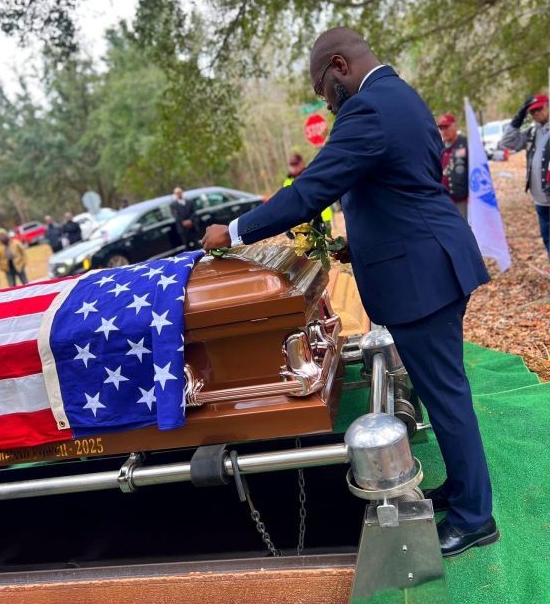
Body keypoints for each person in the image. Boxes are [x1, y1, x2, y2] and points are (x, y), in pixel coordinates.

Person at [203, 27, 498, 558]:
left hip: (423, 275)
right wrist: (357, 248)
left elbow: (314, 189)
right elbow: (402, 190)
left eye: (323, 88)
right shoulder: (401, 96)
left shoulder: (367, 109)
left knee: (447, 394)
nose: (327, 101)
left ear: (339, 66)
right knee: (440, 391)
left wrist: (237, 230)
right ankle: (462, 490)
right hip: (430, 259)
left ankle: (477, 518)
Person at [499, 94, 549, 259]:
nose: (536, 114)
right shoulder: (532, 132)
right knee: (548, 240)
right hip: (540, 200)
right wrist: (518, 119)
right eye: (532, 111)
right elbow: (506, 142)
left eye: (539, 109)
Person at [284, 153, 334, 232]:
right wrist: (286, 226)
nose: (294, 168)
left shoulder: (311, 177)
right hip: (298, 223)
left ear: (302, 163)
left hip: (316, 218)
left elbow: (322, 199)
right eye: (292, 165)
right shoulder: (287, 182)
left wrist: (327, 220)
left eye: (296, 164)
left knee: (319, 241)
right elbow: (287, 204)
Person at [436, 113, 469, 220]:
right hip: (445, 201)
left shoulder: (465, 144)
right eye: (441, 128)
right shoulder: (439, 147)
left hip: (462, 199)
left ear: (454, 126)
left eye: (446, 127)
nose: (443, 131)